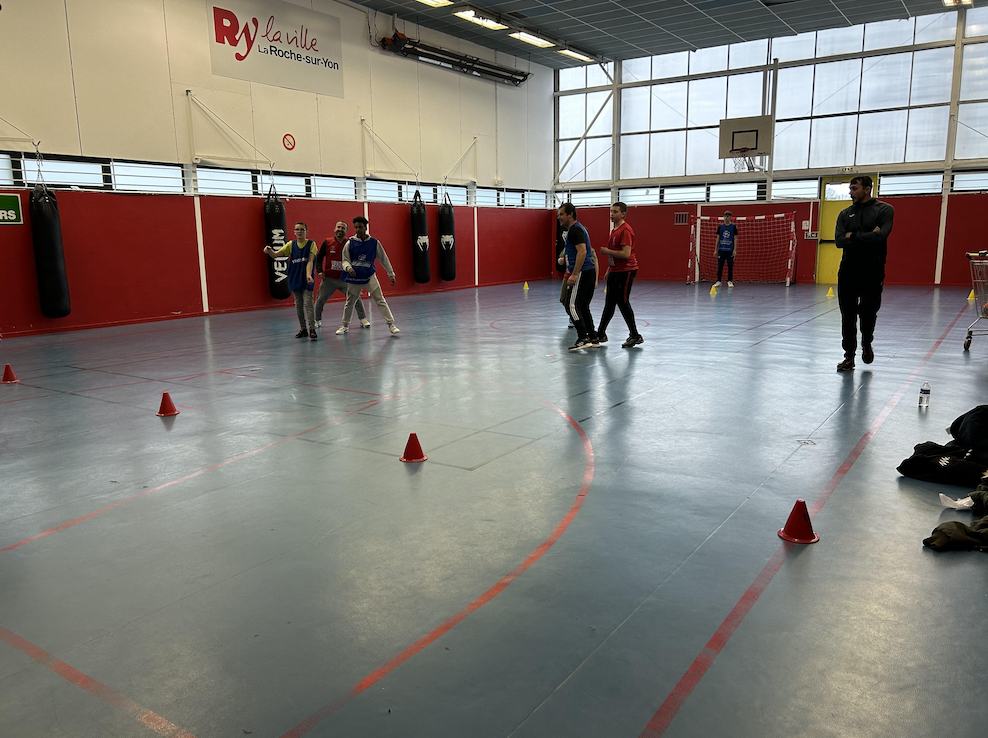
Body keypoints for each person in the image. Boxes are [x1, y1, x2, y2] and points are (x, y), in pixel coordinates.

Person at [835, 175, 894, 372]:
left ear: (867, 189)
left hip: (873, 270)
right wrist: (869, 236)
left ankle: (866, 343)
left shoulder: (884, 210)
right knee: (848, 315)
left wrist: (853, 236)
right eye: (850, 189)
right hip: (848, 270)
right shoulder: (844, 214)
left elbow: (882, 236)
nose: (850, 192)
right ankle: (849, 356)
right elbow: (839, 241)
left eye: (854, 189)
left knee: (868, 312)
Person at [337, 216, 400, 335]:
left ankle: (391, 324)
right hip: (354, 279)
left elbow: (384, 259)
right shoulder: (350, 243)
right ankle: (344, 325)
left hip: (369, 277)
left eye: (360, 227)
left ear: (365, 228)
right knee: (350, 303)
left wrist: (391, 274)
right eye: (356, 227)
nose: (358, 230)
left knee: (380, 300)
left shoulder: (374, 243)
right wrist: (348, 268)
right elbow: (345, 260)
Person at [598, 201, 644, 349]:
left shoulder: (625, 231)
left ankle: (635, 335)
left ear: (623, 214)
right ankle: (600, 333)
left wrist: (607, 251)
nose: (612, 214)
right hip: (615, 270)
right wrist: (608, 270)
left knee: (622, 302)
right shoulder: (614, 230)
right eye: (611, 211)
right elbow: (615, 256)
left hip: (626, 271)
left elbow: (626, 253)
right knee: (609, 303)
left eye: (615, 212)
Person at [263, 222, 317, 340]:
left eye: (302, 229)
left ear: (306, 232)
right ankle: (303, 329)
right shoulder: (291, 245)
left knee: (308, 304)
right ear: (294, 232)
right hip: (294, 277)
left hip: (306, 279)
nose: (299, 231)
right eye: (297, 229)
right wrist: (269, 250)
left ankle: (312, 328)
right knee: (298, 305)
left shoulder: (311, 244)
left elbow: (310, 261)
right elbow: (276, 255)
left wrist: (308, 275)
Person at [556, 203, 599, 351]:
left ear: (570, 214)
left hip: (582, 273)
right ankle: (593, 337)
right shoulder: (577, 229)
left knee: (571, 305)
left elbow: (582, 252)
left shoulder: (575, 230)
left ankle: (583, 337)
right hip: (587, 272)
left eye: (561, 214)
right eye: (558, 214)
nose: (559, 217)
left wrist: (574, 274)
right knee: (583, 306)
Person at [313, 220, 368, 329]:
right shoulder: (327, 242)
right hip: (329, 279)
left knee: (356, 298)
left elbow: (356, 260)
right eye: (338, 227)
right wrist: (319, 270)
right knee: (320, 300)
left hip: (345, 279)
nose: (340, 229)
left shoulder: (350, 244)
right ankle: (317, 320)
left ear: (346, 231)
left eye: (343, 228)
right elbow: (319, 257)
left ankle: (363, 319)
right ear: (335, 229)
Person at [713, 211, 738, 288]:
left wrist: (734, 250)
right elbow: (717, 238)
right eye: (725, 216)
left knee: (730, 266)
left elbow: (735, 239)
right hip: (721, 249)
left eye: (728, 216)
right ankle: (718, 281)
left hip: (730, 250)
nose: (726, 218)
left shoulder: (733, 227)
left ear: (730, 217)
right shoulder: (720, 227)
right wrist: (715, 249)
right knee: (720, 266)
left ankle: (730, 281)